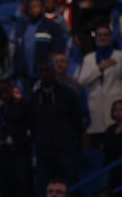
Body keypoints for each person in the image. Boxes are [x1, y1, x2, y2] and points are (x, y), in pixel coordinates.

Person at [30, 61, 86, 189]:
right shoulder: (34, 98)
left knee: (71, 187)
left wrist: (73, 142)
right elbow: (32, 123)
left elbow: (77, 121)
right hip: (43, 153)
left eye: (47, 70)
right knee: (46, 189)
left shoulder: (67, 95)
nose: (44, 74)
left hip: (66, 150)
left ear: (53, 72)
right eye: (41, 71)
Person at [77, 24, 122, 148]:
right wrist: (100, 68)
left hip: (115, 106)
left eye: (105, 35)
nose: (102, 37)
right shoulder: (89, 59)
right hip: (96, 107)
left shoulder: (120, 57)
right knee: (98, 144)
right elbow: (82, 81)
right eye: (99, 35)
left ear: (111, 37)